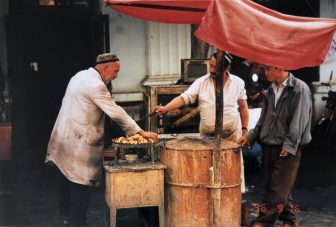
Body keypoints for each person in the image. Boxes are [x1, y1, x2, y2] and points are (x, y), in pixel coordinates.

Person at [45, 53, 157, 227]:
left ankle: (67, 218)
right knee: (79, 189)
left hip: (64, 138)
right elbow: (115, 111)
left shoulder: (79, 76)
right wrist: (140, 132)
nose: (117, 75)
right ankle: (77, 223)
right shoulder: (96, 85)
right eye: (116, 71)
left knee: (67, 182)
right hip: (77, 143)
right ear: (104, 68)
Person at [154, 52, 249, 192]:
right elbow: (184, 98)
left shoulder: (238, 83)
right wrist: (165, 108)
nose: (211, 70)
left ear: (226, 68)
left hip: (231, 133)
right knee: (207, 167)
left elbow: (243, 107)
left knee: (232, 167)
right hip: (207, 134)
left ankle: (233, 196)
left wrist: (245, 130)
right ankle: (208, 196)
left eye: (215, 67)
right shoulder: (201, 82)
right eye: (210, 66)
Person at [239, 65, 312, 227]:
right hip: (270, 143)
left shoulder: (299, 89)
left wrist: (289, 145)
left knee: (276, 188)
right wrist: (250, 137)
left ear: (279, 67)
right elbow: (262, 120)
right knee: (278, 185)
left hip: (287, 146)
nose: (264, 73)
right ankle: (290, 220)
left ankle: (262, 221)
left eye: (267, 69)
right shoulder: (270, 91)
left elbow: (298, 121)